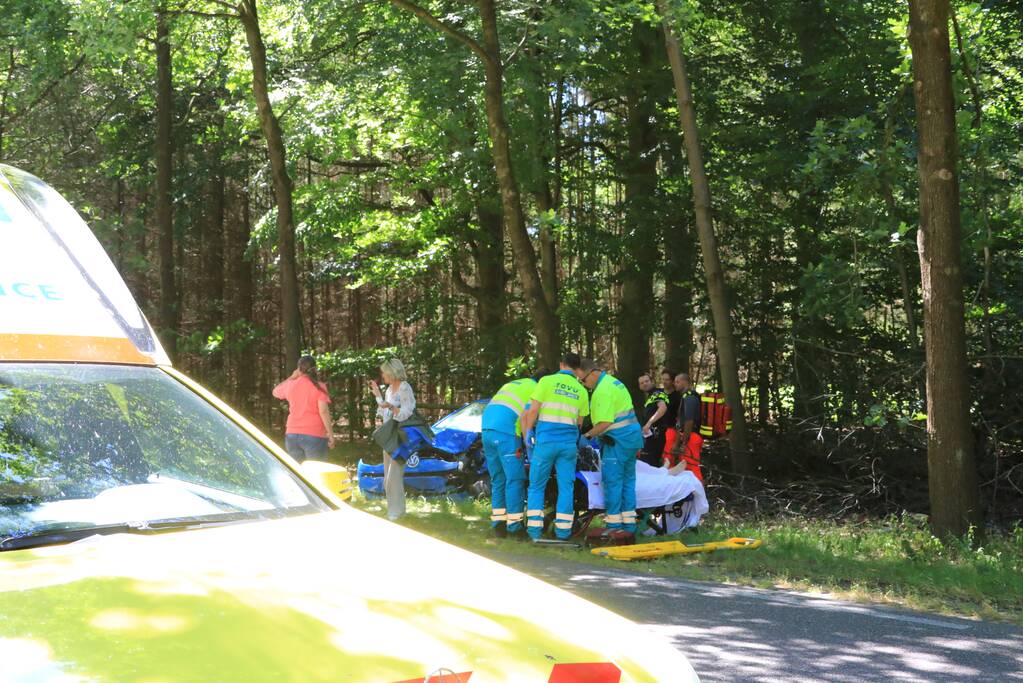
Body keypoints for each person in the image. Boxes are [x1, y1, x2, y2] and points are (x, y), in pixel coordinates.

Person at [520, 353, 589, 540]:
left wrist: (528, 434)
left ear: (561, 364)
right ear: (577, 369)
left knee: (536, 486)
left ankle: (534, 531)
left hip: (545, 443)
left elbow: (533, 410)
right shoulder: (581, 390)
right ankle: (564, 532)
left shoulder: (547, 382)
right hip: (567, 446)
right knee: (566, 487)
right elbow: (580, 423)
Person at [480, 370, 547, 538]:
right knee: (515, 479)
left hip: (487, 430)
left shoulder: (514, 384)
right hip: (507, 433)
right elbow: (531, 419)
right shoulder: (537, 389)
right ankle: (515, 527)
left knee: (498, 479)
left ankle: (498, 525)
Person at [580, 359, 644, 534]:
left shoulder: (602, 390)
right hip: (631, 439)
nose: (584, 384)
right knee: (628, 482)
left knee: (613, 482)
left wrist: (587, 435)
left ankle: (614, 527)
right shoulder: (614, 382)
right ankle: (629, 526)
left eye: (583, 380)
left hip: (618, 442)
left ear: (593, 372)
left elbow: (605, 423)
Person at [370, 358, 434, 521]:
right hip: (389, 436)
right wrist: (378, 397)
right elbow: (385, 413)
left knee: (394, 477)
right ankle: (394, 510)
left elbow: (406, 413)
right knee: (387, 478)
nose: (382, 375)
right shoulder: (389, 389)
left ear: (392, 372)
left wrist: (390, 407)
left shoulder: (405, 388)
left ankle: (397, 513)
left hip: (401, 437)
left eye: (384, 372)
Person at [272, 355, 335, 462]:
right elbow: (323, 411)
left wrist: (292, 377)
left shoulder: (291, 385)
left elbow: (275, 391)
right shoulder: (319, 386)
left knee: (297, 473)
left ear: (298, 369)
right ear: (315, 369)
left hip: (292, 434)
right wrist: (331, 434)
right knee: (316, 473)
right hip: (314, 434)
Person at [663, 372, 703, 481]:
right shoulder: (686, 397)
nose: (674, 384)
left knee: (692, 466)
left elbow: (689, 421)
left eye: (677, 382)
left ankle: (699, 493)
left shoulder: (690, 398)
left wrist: (684, 442)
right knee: (686, 466)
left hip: (692, 438)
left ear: (685, 382)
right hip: (689, 436)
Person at [638, 373, 669, 467]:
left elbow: (662, 408)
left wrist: (649, 423)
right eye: (642, 383)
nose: (644, 384)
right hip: (650, 436)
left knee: (651, 463)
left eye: (647, 381)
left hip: (658, 435)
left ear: (652, 381)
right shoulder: (650, 396)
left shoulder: (657, 393)